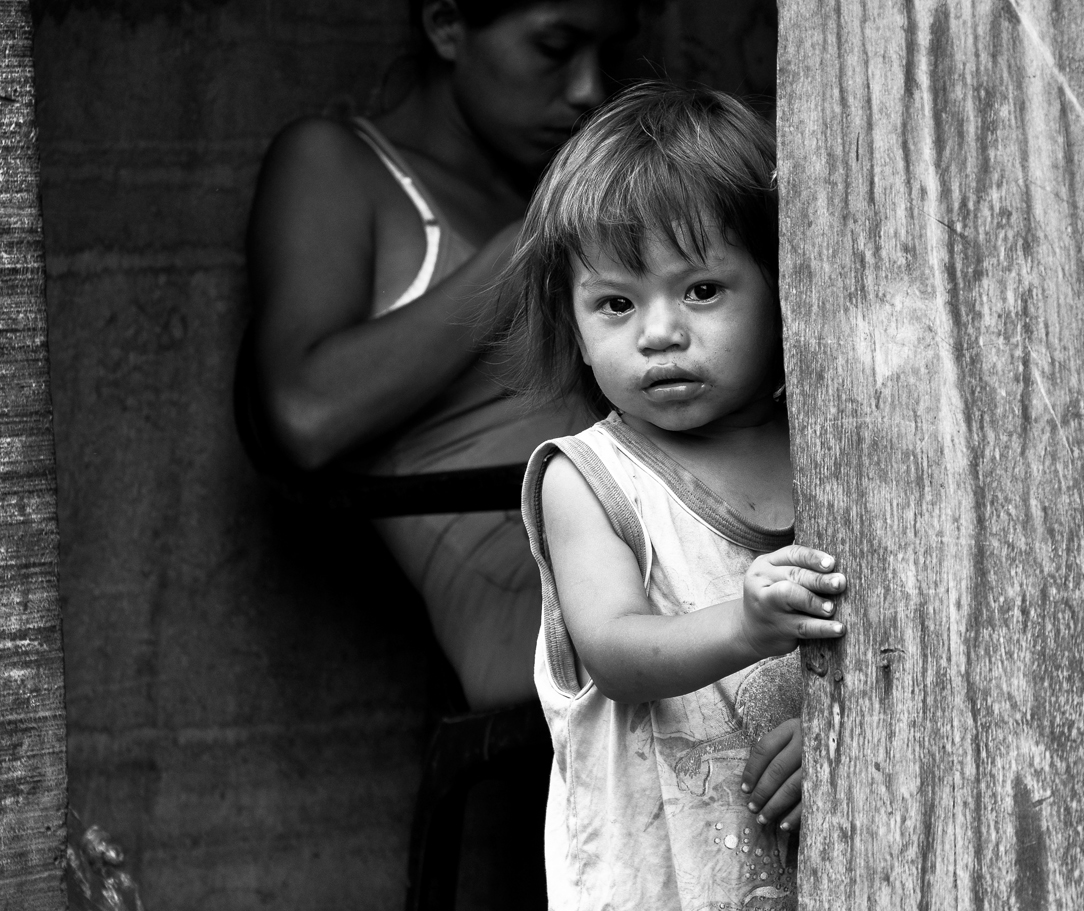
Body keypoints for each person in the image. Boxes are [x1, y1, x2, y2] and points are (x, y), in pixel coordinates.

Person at [503, 84, 849, 910]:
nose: (659, 333)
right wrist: (747, 623)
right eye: (617, 303)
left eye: (701, 290)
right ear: (573, 322)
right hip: (662, 880)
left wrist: (838, 737)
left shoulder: (841, 448)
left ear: (783, 277)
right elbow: (616, 650)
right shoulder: (589, 479)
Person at [245, 0, 636, 712]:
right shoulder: (338, 163)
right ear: (447, 23)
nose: (587, 90)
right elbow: (302, 414)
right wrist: (523, 246)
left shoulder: (551, 185)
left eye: (604, 56)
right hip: (534, 610)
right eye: (555, 47)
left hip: (638, 558)